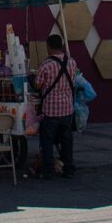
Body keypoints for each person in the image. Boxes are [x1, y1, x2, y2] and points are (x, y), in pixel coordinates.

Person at [34, 34, 77, 179]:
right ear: (61, 45)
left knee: (47, 142)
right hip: (67, 109)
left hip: (51, 110)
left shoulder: (46, 65)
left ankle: (48, 171)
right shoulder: (72, 62)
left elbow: (38, 85)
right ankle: (69, 169)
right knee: (66, 141)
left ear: (49, 47)